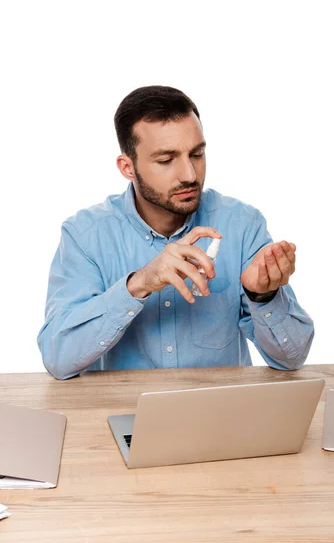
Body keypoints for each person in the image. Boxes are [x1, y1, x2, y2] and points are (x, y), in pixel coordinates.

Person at [38, 86, 314, 380]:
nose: (190, 175)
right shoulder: (85, 236)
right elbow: (59, 359)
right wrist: (139, 284)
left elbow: (292, 358)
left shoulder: (242, 225)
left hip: (218, 415)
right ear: (127, 168)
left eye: (197, 154)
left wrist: (264, 296)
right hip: (123, 415)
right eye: (166, 160)